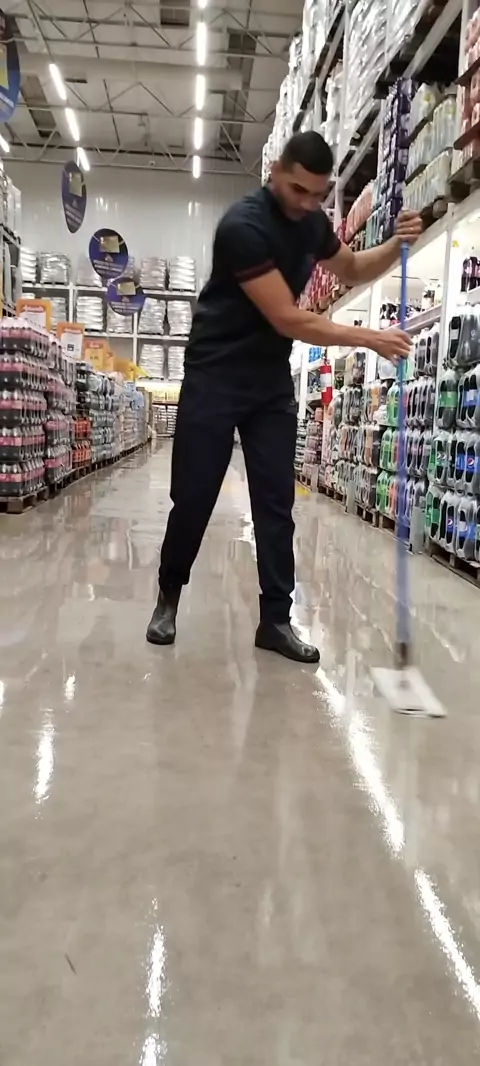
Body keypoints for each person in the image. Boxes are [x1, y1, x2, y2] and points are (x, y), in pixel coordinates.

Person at [146, 130, 422, 662]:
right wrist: (369, 337)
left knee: (276, 503)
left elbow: (352, 268)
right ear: (275, 171)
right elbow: (287, 317)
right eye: (298, 190)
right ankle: (168, 597)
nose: (307, 204)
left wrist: (396, 245)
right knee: (194, 496)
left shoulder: (311, 222)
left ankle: (275, 620)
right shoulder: (243, 228)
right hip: (215, 374)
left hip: (268, 380)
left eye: (317, 195)